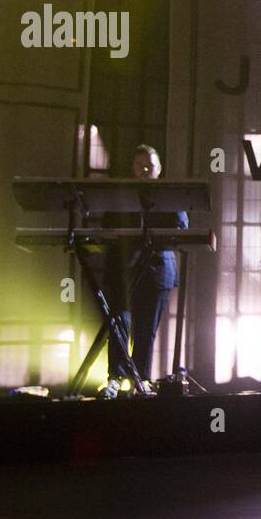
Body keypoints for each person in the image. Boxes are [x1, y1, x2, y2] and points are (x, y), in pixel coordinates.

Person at [97, 144, 189, 398]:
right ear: (132, 168)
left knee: (146, 330)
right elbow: (108, 227)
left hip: (157, 270)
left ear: (159, 169)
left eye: (149, 164)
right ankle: (116, 378)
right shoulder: (120, 196)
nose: (145, 169)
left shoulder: (171, 197)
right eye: (140, 164)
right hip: (123, 270)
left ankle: (140, 379)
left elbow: (181, 229)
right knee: (119, 324)